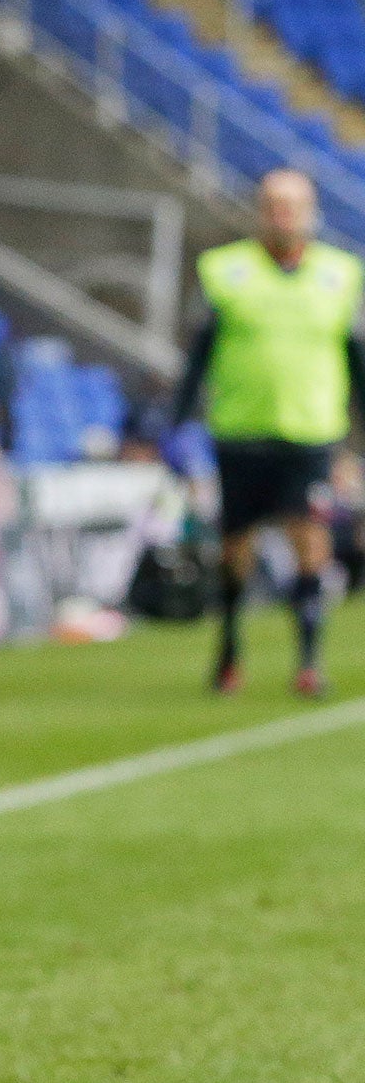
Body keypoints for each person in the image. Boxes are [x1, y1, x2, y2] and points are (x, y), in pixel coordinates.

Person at [172, 168, 364, 697]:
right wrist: (174, 423)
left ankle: (308, 660)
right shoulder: (224, 271)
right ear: (260, 210)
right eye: (273, 204)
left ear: (310, 211)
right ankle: (230, 651)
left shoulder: (341, 275)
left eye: (293, 204)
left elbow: (357, 357)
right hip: (239, 433)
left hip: (311, 434)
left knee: (311, 540)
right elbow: (198, 357)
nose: (283, 214)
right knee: (236, 547)